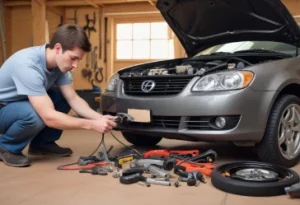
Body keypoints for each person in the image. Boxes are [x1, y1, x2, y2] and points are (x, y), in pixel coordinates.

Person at [0, 24, 117, 168]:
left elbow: (73, 98)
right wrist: (92, 124)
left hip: (21, 102)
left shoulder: (59, 67)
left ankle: (41, 145)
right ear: (57, 48)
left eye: (78, 60)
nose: (75, 65)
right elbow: (48, 117)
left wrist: (100, 117)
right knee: (34, 115)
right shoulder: (28, 65)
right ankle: (6, 146)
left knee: (62, 96)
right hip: (3, 108)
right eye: (73, 58)